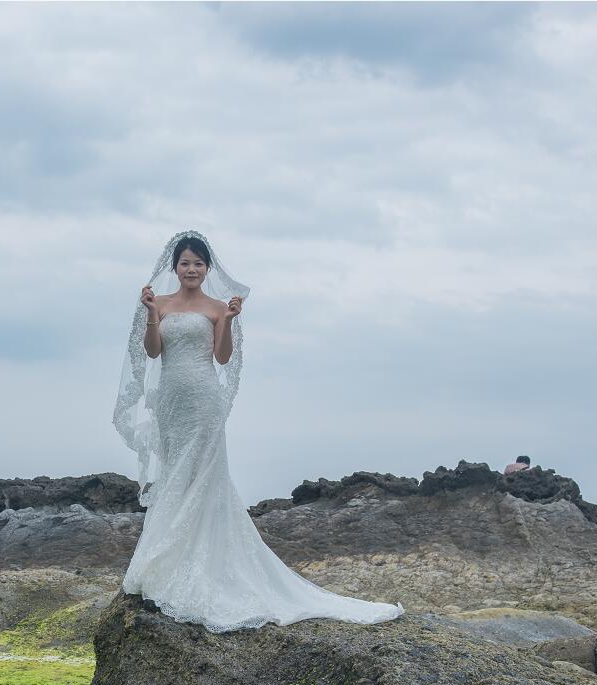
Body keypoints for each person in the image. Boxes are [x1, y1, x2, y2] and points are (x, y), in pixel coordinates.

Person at [111, 229, 404, 632]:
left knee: (203, 475)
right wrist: (149, 314)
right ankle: (165, 560)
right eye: (185, 263)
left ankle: (195, 565)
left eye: (198, 263)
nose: (191, 269)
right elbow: (153, 351)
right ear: (174, 268)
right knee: (176, 471)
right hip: (171, 402)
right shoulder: (158, 303)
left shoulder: (217, 307)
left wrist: (228, 321)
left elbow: (222, 356)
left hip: (204, 399)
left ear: (207, 268)